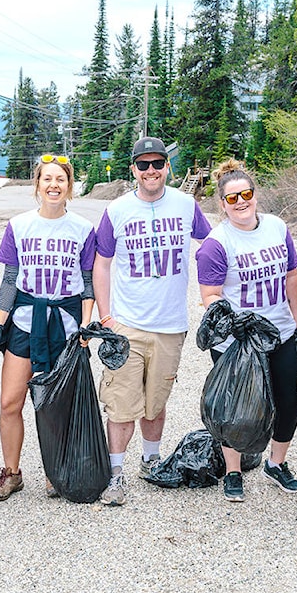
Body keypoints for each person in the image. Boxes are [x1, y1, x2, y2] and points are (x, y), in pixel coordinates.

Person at [93, 136, 212, 506]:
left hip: (170, 325)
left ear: (167, 167)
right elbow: (102, 263)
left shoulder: (186, 204)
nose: (150, 171)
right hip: (127, 325)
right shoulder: (117, 210)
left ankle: (151, 459)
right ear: (133, 169)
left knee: (156, 403)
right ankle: (115, 475)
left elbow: (212, 246)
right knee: (121, 405)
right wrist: (107, 317)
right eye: (143, 165)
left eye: (157, 164)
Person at [0, 155, 96, 501]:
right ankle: (12, 472)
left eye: (60, 179)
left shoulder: (82, 229)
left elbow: (89, 284)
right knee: (10, 402)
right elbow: (10, 280)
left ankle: (55, 470)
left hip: (63, 324)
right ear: (37, 185)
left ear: (69, 187)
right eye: (47, 178)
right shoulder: (19, 226)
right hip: (24, 322)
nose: (53, 185)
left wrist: (86, 327)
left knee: (55, 403)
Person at [195, 159, 297, 502]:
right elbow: (210, 296)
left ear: (256, 195)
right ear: (221, 204)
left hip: (280, 333)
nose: (241, 201)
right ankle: (233, 470)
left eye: (246, 194)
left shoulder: (275, 227)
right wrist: (234, 324)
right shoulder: (216, 243)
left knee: (290, 401)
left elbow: (291, 277)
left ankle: (276, 462)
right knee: (237, 408)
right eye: (232, 198)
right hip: (237, 342)